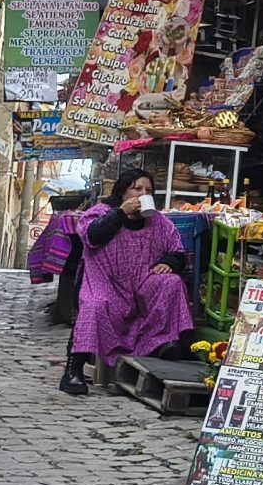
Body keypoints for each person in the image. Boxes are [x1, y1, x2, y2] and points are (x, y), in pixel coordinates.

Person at [62, 169, 191, 394]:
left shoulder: (158, 222)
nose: (143, 193)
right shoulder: (101, 212)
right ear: (123, 192)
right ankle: (73, 370)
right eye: (137, 188)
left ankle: (162, 343)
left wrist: (169, 262)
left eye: (148, 190)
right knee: (95, 305)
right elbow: (92, 236)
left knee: (171, 282)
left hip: (142, 286)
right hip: (105, 285)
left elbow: (177, 250)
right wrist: (120, 214)